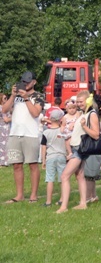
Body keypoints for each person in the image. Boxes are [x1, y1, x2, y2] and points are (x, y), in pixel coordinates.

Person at [2, 71, 45, 204]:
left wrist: (26, 98)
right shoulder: (15, 96)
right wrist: (13, 95)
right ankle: (19, 195)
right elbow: (4, 110)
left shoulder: (38, 96)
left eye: (28, 82)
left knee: (32, 165)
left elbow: (35, 113)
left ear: (34, 82)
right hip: (15, 133)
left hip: (31, 134)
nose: (25, 85)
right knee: (17, 165)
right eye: (23, 82)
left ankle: (33, 195)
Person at [56, 91, 101, 213]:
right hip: (76, 148)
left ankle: (64, 206)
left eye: (80, 102)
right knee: (80, 175)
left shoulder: (91, 114)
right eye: (77, 102)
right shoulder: (83, 113)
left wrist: (84, 127)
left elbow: (96, 134)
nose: (78, 104)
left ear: (88, 101)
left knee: (65, 176)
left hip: (80, 150)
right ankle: (83, 203)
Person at [40, 113, 66, 207]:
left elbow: (43, 147)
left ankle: (48, 201)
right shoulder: (62, 130)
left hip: (50, 157)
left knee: (50, 179)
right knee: (62, 179)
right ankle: (62, 199)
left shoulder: (46, 133)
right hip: (62, 156)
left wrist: (43, 160)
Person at [0, 94, 11, 166]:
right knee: (2, 145)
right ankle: (2, 162)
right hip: (2, 128)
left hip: (7, 128)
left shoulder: (6, 108)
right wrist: (15, 117)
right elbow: (6, 119)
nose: (6, 99)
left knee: (7, 144)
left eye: (6, 98)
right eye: (4, 98)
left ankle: (6, 161)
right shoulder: (1, 108)